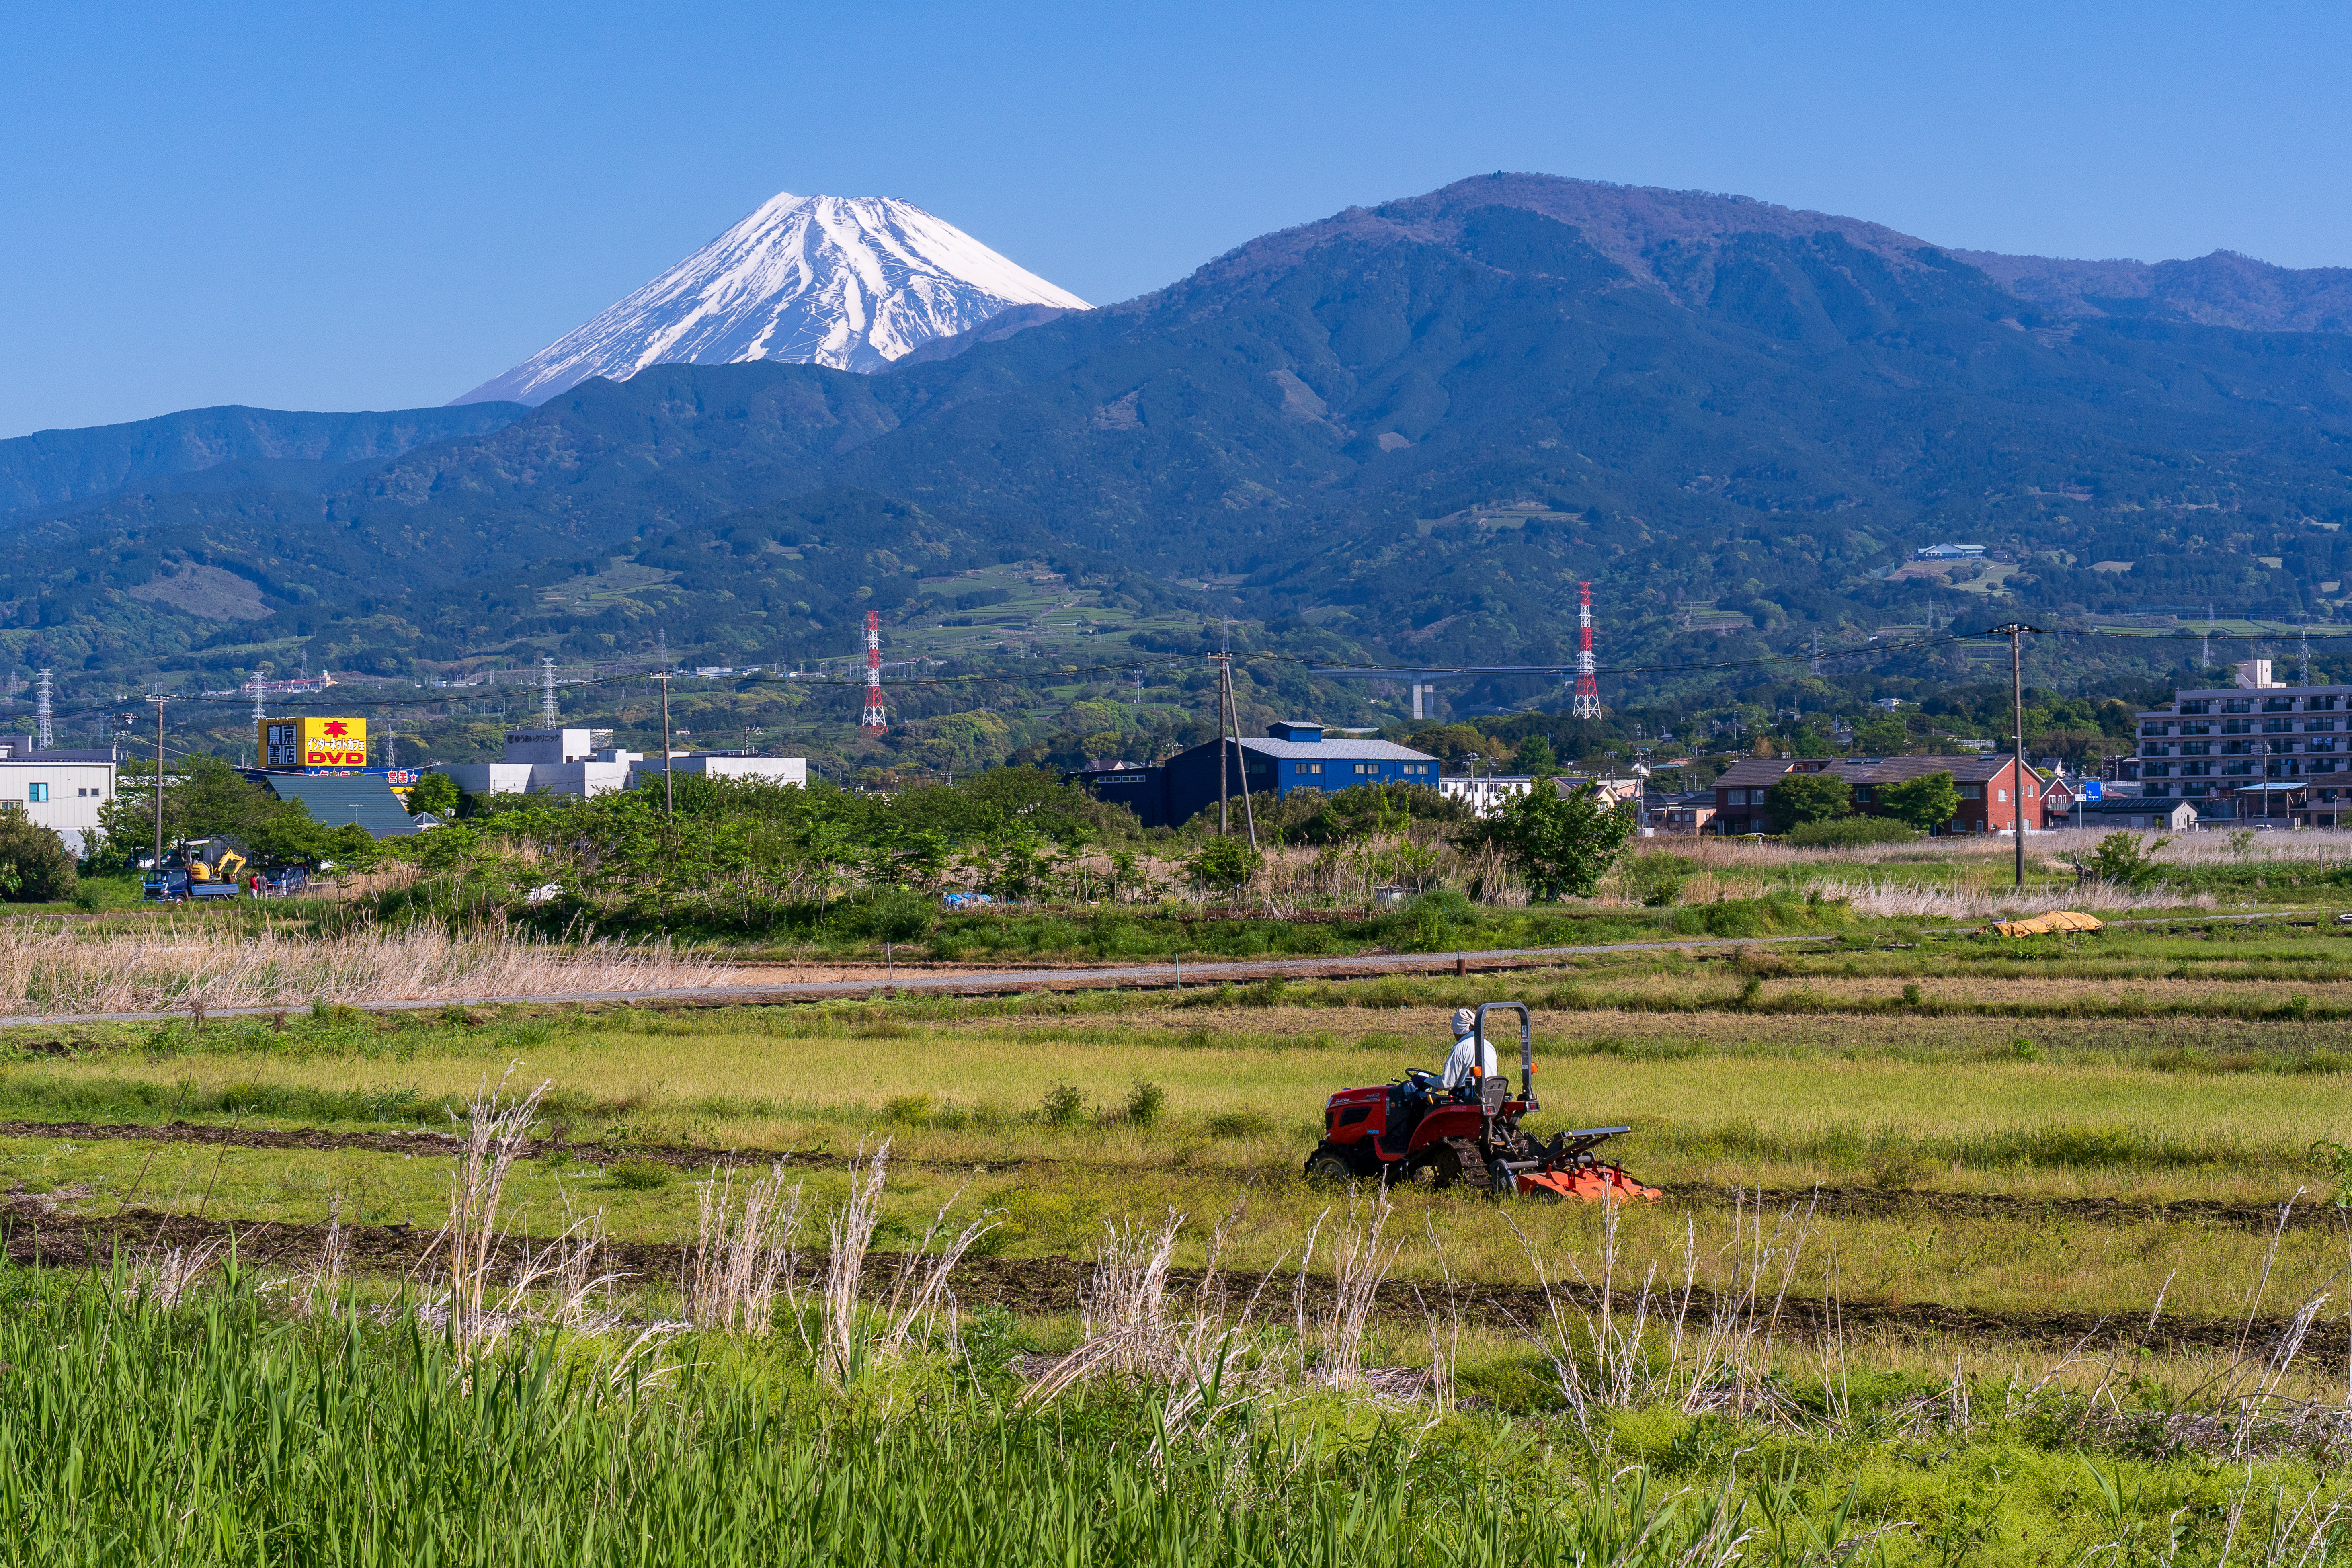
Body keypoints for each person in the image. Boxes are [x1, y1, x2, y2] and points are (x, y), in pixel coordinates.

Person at [1439, 1008, 1501, 1088]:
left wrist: (1428, 1081)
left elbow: (1447, 1083)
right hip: (1492, 1093)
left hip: (1470, 1096)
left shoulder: (1460, 1048)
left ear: (1458, 1029)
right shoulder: (1488, 1045)